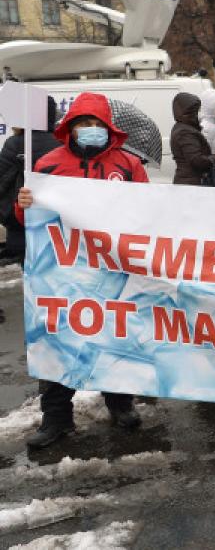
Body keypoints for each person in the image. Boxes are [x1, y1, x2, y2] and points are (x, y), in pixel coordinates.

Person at [15, 92, 148, 448]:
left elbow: (151, 214)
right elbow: (26, 219)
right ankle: (56, 418)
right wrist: (23, 203)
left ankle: (121, 405)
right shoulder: (48, 165)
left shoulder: (128, 165)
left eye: (97, 124)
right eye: (83, 124)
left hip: (113, 271)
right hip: (62, 274)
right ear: (70, 128)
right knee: (58, 340)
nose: (90, 130)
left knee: (114, 335)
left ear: (109, 129)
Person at [0, 97, 59, 264]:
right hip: (55, 222)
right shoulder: (61, 143)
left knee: (30, 271)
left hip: (22, 222)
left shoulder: (15, 144)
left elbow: (2, 180)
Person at [170, 92, 215, 185]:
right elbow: (197, 161)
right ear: (189, 112)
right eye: (197, 111)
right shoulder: (185, 132)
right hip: (192, 184)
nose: (199, 114)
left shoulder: (183, 127)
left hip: (189, 181)